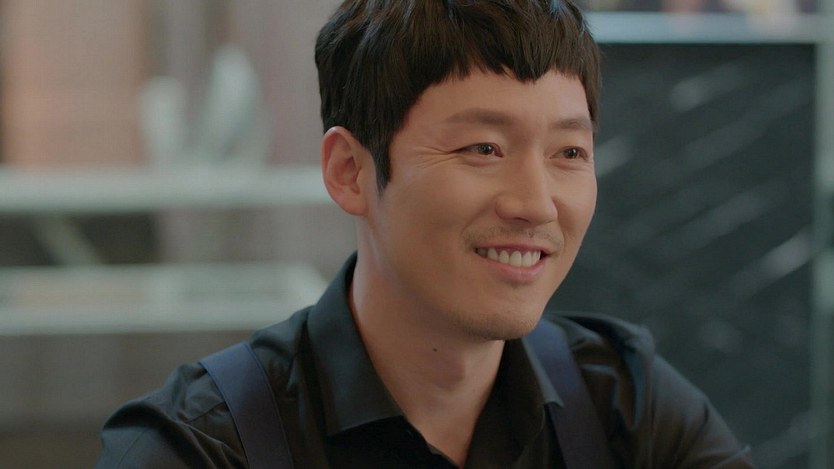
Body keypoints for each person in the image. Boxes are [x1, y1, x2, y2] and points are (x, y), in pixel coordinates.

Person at [97, 0, 755, 467]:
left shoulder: (626, 408)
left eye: (569, 153)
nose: (536, 204)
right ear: (350, 171)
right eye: (482, 148)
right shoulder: (200, 447)